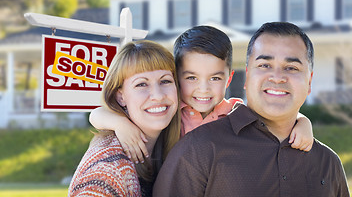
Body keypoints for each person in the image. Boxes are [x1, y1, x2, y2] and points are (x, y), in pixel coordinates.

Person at [152, 22, 350, 197]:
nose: (277, 77)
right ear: (246, 77)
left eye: (291, 68)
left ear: (309, 82)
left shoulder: (328, 163)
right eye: (264, 65)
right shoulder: (197, 148)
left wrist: (303, 120)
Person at [89, 25, 314, 164]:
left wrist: (303, 122)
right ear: (176, 78)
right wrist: (121, 125)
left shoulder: (236, 112)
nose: (203, 89)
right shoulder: (169, 112)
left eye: (215, 78)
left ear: (229, 78)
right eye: (191, 78)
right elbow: (97, 114)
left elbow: (273, 119)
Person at [68, 40, 181, 197]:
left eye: (165, 81)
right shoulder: (106, 171)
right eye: (141, 84)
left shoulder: (176, 144)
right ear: (121, 97)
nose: (158, 95)